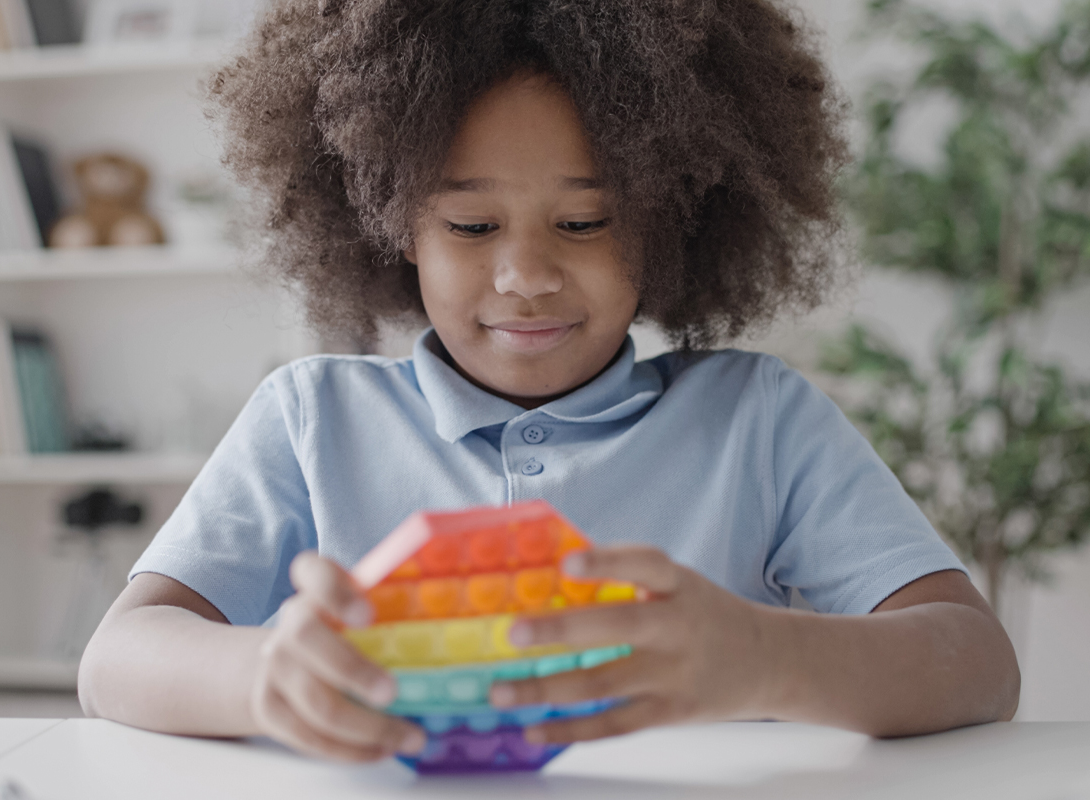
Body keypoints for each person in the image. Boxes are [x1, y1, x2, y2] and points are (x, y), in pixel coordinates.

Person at [78, 0, 1020, 763]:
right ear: (394, 226)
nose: (525, 275)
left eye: (583, 224)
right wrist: (263, 676)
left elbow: (976, 661)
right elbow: (117, 657)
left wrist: (765, 659)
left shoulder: (759, 420)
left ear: (671, 218)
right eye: (472, 227)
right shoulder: (309, 418)